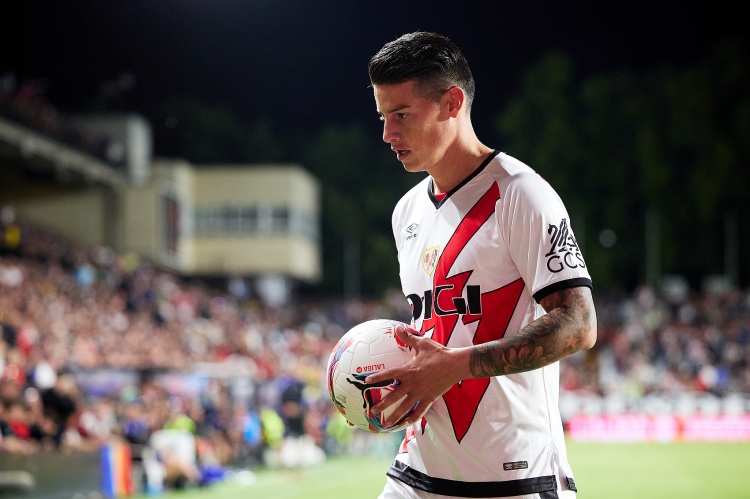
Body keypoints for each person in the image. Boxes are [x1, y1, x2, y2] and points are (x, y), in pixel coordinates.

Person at [364, 32, 597, 499]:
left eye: (401, 115)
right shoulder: (406, 212)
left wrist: (454, 366)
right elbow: (435, 332)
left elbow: (578, 325)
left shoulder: (522, 194)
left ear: (452, 103)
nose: (387, 134)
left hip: (516, 477)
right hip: (419, 471)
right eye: (383, 117)